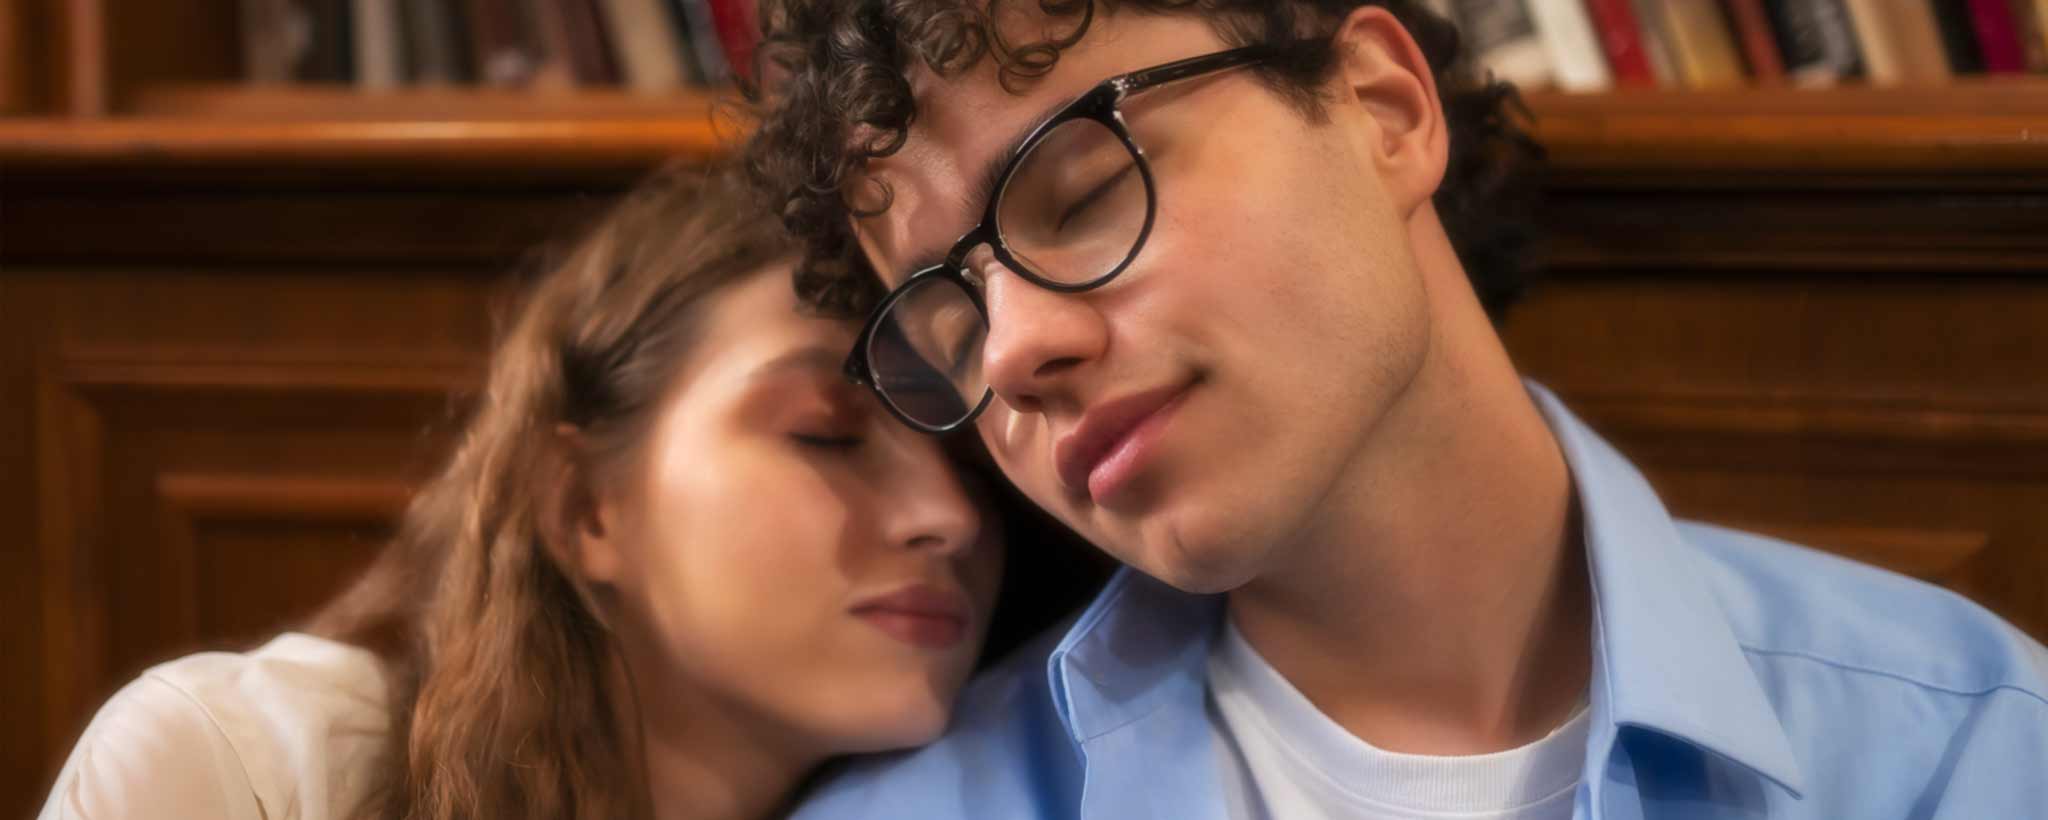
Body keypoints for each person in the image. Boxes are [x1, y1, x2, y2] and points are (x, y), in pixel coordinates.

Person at [740, 2, 2048, 818]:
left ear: (1380, 109)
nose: (1015, 354)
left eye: (1083, 194)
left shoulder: (1971, 750)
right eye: (950, 324)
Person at [37, 165, 1019, 820]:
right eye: (826, 432)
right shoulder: (244, 769)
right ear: (582, 504)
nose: (950, 515)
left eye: (966, 452)